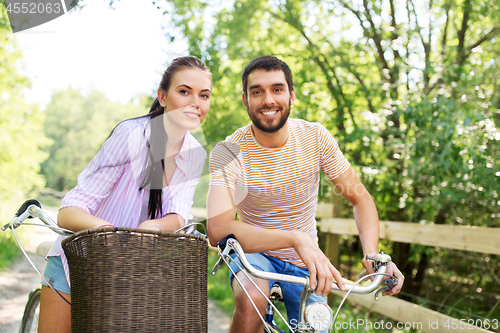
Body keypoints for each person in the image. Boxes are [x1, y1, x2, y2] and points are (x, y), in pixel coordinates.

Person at [207, 55, 404, 333]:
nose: (268, 100)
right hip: (255, 256)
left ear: (291, 95)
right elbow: (218, 229)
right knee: (252, 296)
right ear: (245, 100)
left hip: (307, 264)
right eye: (257, 91)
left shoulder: (315, 137)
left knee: (314, 325)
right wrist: (295, 238)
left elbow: (360, 199)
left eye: (277, 89)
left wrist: (373, 256)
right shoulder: (228, 152)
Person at [38, 56, 212, 333]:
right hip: (79, 264)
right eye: (184, 91)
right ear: (163, 97)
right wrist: (107, 232)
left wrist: (150, 228)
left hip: (130, 276)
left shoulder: (194, 153)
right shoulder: (131, 136)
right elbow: (69, 211)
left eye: (204, 95)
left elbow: (178, 215)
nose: (196, 103)